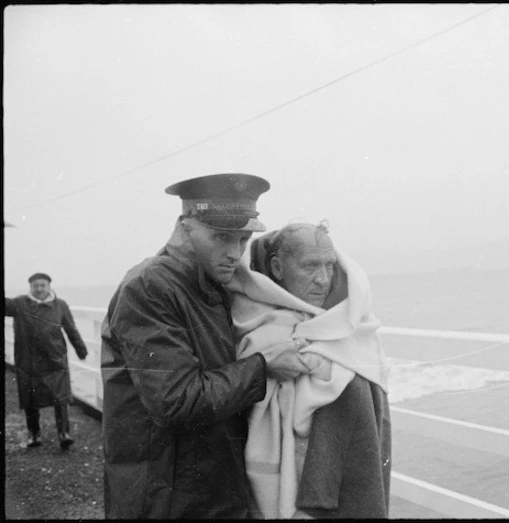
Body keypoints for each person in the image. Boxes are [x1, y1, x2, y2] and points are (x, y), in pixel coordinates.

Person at [100, 173, 311, 519]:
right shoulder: (148, 286)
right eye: (221, 237)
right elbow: (176, 401)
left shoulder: (211, 282)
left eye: (243, 240)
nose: (234, 254)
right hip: (164, 496)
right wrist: (263, 365)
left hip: (209, 486)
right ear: (184, 226)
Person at [227, 222, 391, 519]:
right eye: (310, 266)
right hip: (272, 468)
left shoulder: (348, 320)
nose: (323, 279)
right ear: (277, 268)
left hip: (340, 474)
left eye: (329, 266)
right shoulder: (252, 314)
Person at [5, 272, 89, 450]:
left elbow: (70, 329)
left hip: (55, 359)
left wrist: (81, 349)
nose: (39, 289)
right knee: (30, 399)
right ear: (30, 287)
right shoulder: (19, 304)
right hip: (29, 360)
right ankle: (34, 434)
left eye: (43, 285)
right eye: (35, 285)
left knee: (61, 398)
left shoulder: (60, 305)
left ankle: (64, 433)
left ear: (49, 286)